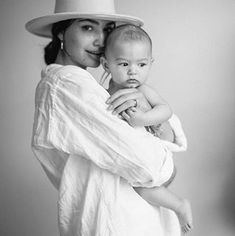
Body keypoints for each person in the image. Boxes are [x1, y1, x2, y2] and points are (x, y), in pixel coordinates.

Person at [26, 0, 189, 235]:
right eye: (88, 27)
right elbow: (150, 167)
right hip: (116, 223)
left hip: (129, 218)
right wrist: (166, 163)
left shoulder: (94, 86)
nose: (101, 40)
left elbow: (164, 131)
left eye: (108, 29)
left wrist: (150, 114)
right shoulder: (67, 84)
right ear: (61, 30)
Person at [100, 24, 193, 233]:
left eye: (141, 65)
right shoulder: (102, 94)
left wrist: (142, 118)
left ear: (151, 63)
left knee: (138, 186)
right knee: (130, 193)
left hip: (155, 162)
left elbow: (165, 110)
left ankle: (179, 205)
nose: (133, 71)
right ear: (106, 65)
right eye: (124, 64)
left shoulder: (143, 90)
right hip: (133, 160)